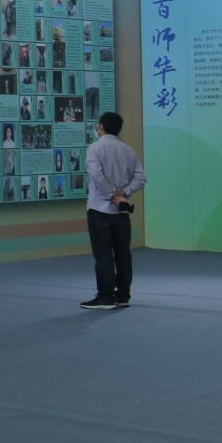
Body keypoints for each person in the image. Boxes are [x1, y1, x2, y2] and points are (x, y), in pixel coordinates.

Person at [82, 111, 147, 308]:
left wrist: (111, 194)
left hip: (99, 209)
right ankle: (123, 295)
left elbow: (96, 175)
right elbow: (141, 178)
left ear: (100, 126)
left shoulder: (95, 148)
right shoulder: (128, 150)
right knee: (123, 254)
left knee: (103, 255)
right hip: (121, 211)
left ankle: (105, 297)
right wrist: (123, 193)